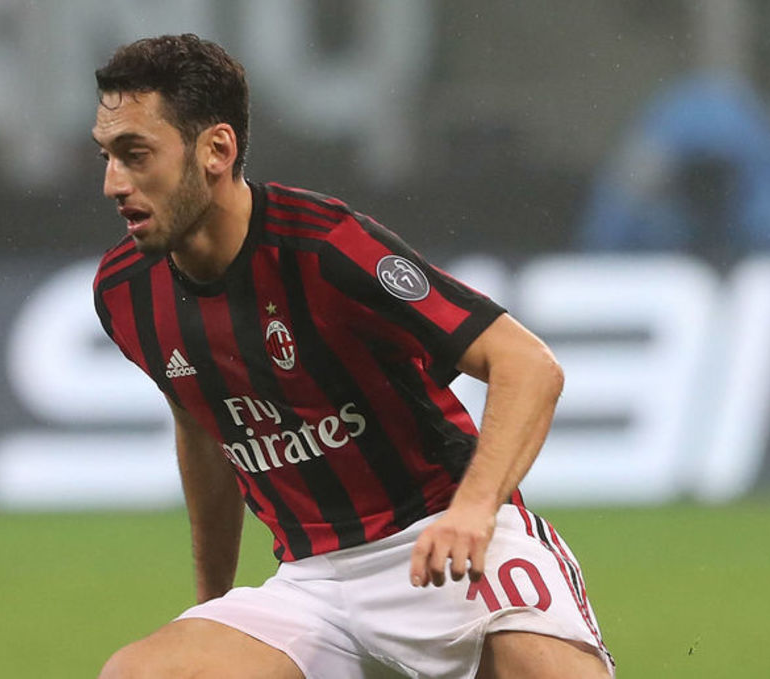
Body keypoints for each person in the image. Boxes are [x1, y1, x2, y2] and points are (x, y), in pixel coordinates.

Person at [92, 34, 613, 679]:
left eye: (136, 155)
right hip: (314, 585)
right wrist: (212, 603)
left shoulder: (325, 248)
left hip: (445, 540)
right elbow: (202, 427)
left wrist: (476, 509)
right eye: (107, 156)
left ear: (216, 151)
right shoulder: (124, 292)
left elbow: (528, 365)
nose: (113, 183)